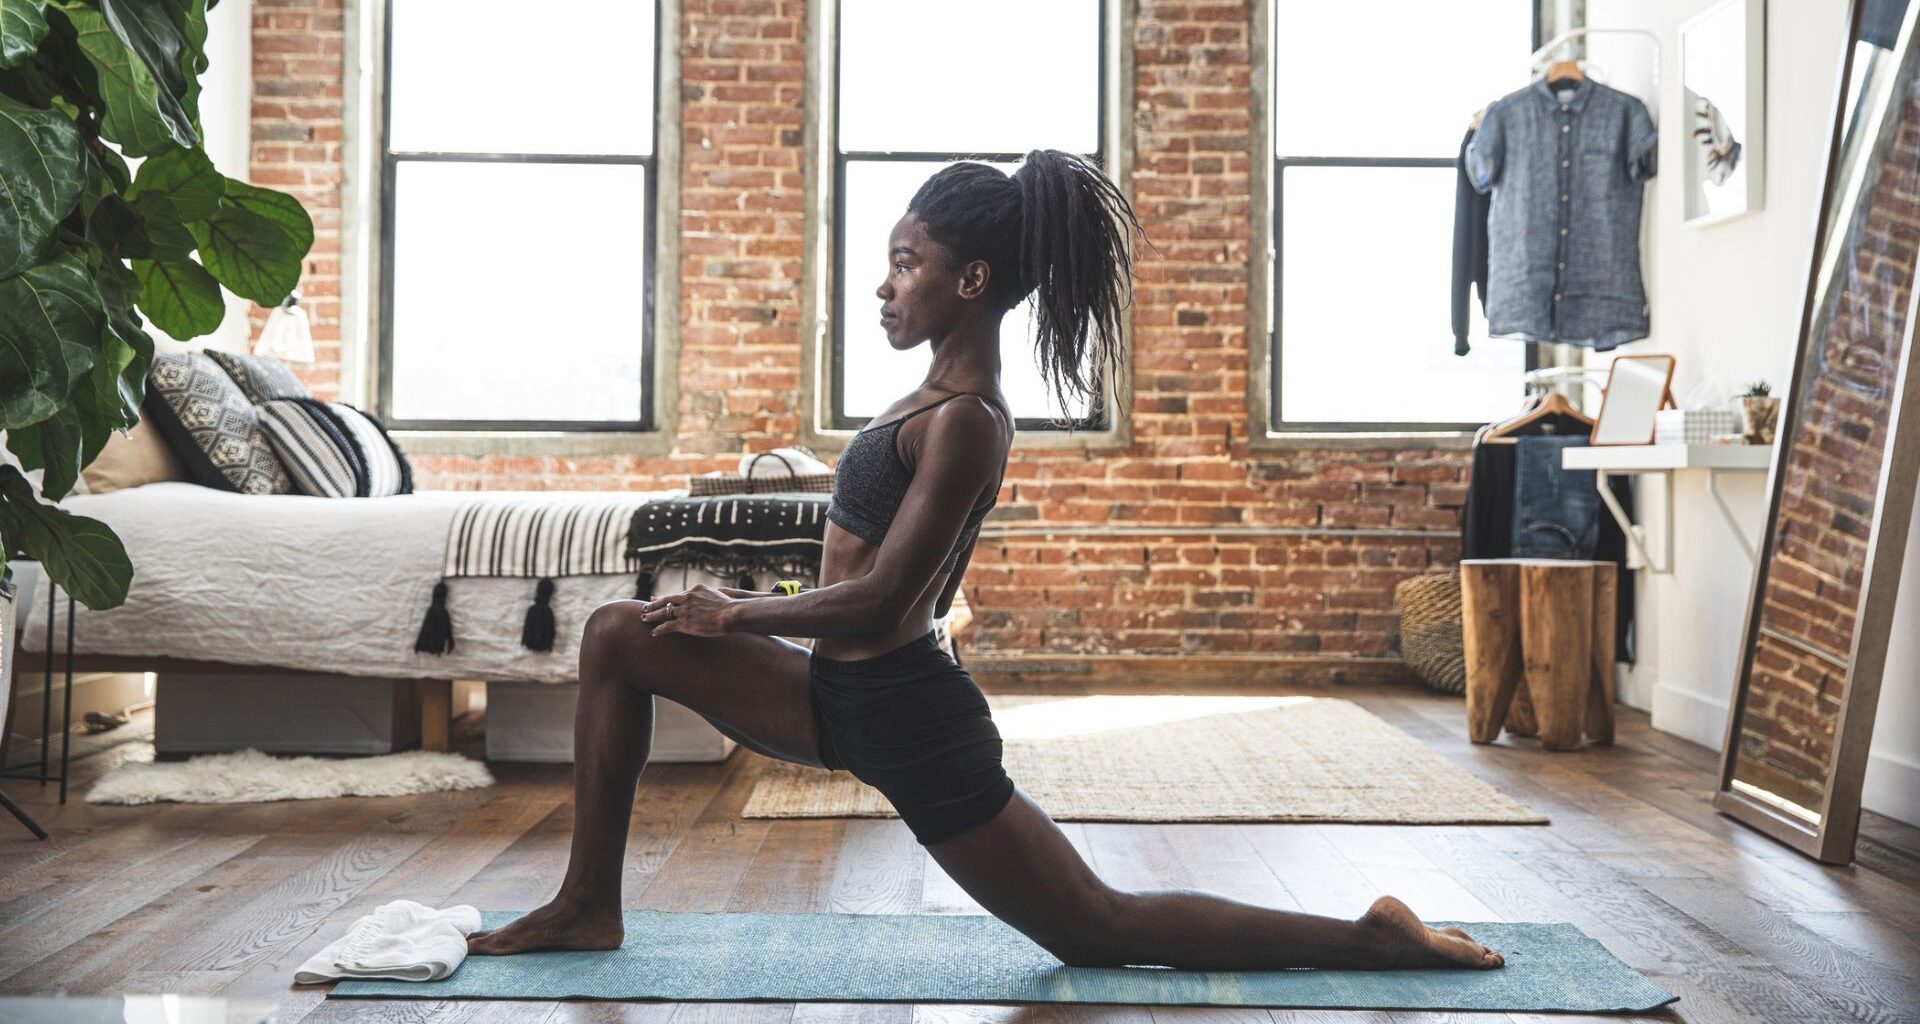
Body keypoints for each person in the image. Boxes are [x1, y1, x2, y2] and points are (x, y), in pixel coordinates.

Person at [466, 150, 1504, 973]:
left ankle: (1369, 937)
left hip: (908, 716)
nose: (882, 285)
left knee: (1096, 928)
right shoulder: (927, 396)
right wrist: (750, 608)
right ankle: (586, 904)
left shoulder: (967, 419)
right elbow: (857, 572)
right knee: (617, 636)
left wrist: (737, 614)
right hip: (837, 695)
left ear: (971, 278)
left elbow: (883, 598)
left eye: (906, 263)